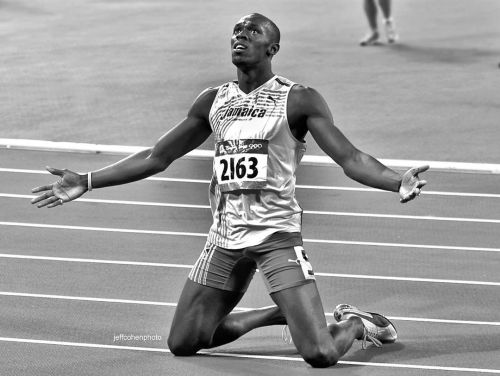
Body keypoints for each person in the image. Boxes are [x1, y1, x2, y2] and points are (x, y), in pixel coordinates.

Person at [31, 13, 428, 368]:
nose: (240, 35)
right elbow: (156, 156)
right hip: (224, 237)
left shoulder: (298, 98)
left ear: (272, 48)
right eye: (236, 31)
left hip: (276, 236)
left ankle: (355, 324)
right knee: (184, 342)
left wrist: (396, 181)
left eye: (252, 31)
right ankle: (279, 314)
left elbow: (350, 157)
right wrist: (86, 180)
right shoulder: (213, 100)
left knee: (320, 354)